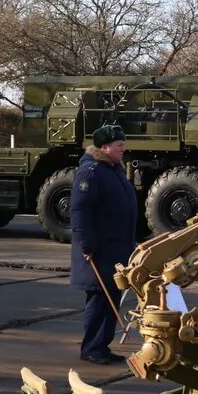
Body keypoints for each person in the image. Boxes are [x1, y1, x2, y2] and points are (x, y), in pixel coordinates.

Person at [69, 124, 137, 365]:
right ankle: (92, 347)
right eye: (119, 145)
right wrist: (86, 244)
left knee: (112, 298)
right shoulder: (91, 172)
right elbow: (79, 210)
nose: (123, 149)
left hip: (116, 249)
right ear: (105, 147)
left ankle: (102, 345)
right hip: (98, 251)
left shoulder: (113, 170)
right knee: (100, 299)